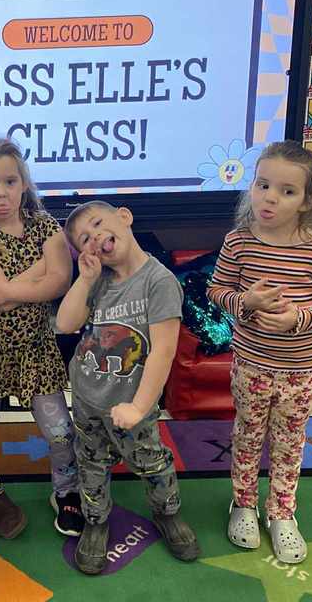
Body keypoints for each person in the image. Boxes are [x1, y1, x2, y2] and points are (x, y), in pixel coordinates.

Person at [207, 141, 312, 564]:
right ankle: (243, 504)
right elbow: (217, 290)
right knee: (247, 435)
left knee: (289, 441)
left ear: (306, 201)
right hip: (251, 364)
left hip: (300, 370)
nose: (270, 197)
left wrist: (298, 319)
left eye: (287, 191)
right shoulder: (238, 242)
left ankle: (282, 511)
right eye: (263, 184)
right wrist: (246, 302)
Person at [57, 201, 200, 575]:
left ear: (124, 217)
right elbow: (66, 324)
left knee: (151, 461)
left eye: (98, 224)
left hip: (132, 404)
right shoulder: (96, 280)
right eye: (84, 239)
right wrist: (84, 280)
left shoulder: (159, 281)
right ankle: (96, 521)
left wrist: (138, 407)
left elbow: (163, 351)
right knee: (91, 463)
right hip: (88, 399)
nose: (95, 237)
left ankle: (166, 512)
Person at [0, 139, 81, 539]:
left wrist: (11, 288)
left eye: (10, 181)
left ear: (23, 183)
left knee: (59, 429)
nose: (2, 193)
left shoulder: (45, 225)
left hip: (37, 349)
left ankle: (66, 489)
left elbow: (59, 282)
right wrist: (42, 270)